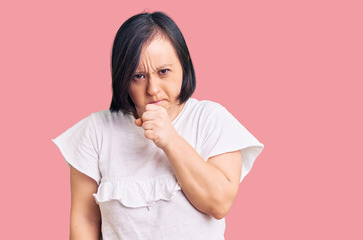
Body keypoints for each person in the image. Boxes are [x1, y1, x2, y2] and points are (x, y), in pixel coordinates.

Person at [52, 11, 264, 240]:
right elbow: (85, 220)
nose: (152, 89)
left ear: (184, 66)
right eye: (138, 76)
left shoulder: (212, 119)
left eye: (163, 72)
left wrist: (171, 140)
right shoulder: (94, 131)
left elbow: (219, 203)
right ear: (122, 78)